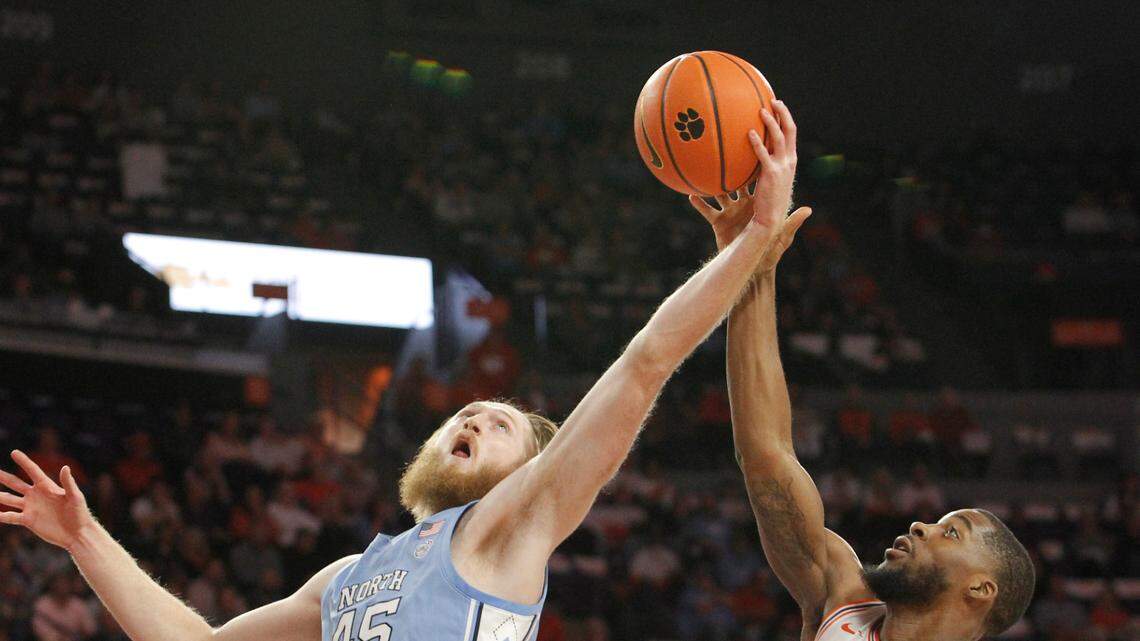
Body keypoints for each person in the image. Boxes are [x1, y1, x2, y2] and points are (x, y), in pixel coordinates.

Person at [0, 104, 808, 641]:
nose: (472, 418)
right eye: (470, 412)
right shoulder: (348, 577)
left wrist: (750, 241)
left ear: (528, 473)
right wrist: (82, 536)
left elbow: (644, 364)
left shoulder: (515, 521)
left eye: (500, 426)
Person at [689, 100, 1036, 641]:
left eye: (951, 532)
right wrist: (749, 261)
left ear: (981, 589)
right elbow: (765, 456)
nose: (921, 524)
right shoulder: (844, 599)